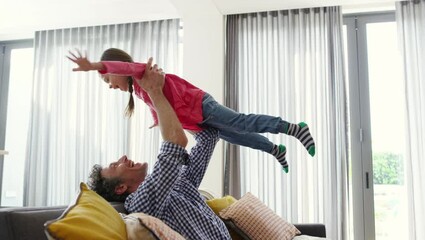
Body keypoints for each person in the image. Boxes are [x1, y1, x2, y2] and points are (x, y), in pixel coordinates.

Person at [68, 48, 315, 173]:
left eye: (108, 80)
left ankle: (293, 128)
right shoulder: (143, 90)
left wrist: (95, 66)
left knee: (241, 122)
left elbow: (120, 65)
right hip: (196, 122)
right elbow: (157, 105)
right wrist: (156, 119)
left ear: (117, 70)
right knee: (237, 137)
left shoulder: (141, 71)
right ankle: (274, 149)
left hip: (200, 105)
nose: (110, 86)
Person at [88, 59, 231, 239]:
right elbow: (176, 142)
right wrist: (154, 91)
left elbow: (208, 136)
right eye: (116, 165)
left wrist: (178, 102)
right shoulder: (141, 203)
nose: (123, 157)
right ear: (120, 188)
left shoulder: (177, 183)